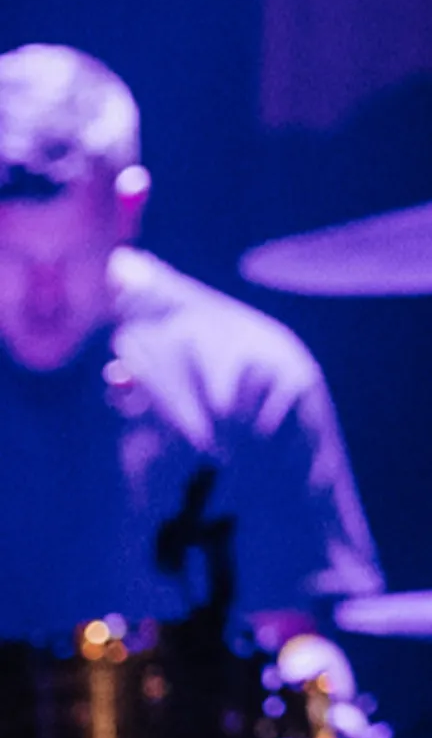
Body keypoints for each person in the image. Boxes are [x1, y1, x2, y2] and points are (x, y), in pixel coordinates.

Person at [0, 42, 383, 641]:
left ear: (128, 208)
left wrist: (311, 674)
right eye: (11, 256)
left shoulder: (252, 378)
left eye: (72, 256)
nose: (42, 296)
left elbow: (298, 644)